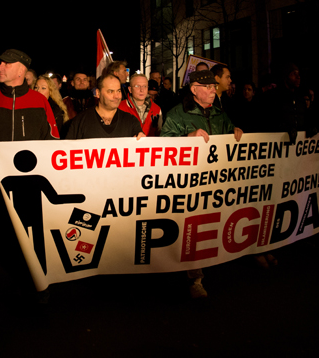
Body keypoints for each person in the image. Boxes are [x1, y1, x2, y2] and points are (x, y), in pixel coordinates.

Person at [0, 49, 59, 301]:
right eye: (0, 64)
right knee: (4, 239)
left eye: (6, 64)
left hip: (32, 189)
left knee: (33, 237)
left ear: (21, 69)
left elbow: (54, 141)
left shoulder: (40, 102)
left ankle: (38, 285)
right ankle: (19, 282)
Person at [160, 69, 242, 299]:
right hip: (189, 183)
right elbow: (163, 144)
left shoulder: (219, 113)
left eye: (214, 87)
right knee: (192, 227)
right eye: (207, 87)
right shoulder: (177, 114)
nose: (213, 90)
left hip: (214, 181)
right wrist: (187, 138)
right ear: (194, 90)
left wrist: (235, 131)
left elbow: (228, 134)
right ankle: (194, 278)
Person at [65, 74, 145, 140]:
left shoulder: (131, 121)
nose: (116, 96)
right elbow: (68, 150)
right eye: (111, 91)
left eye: (118, 91)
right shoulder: (80, 121)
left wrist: (142, 141)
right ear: (98, 93)